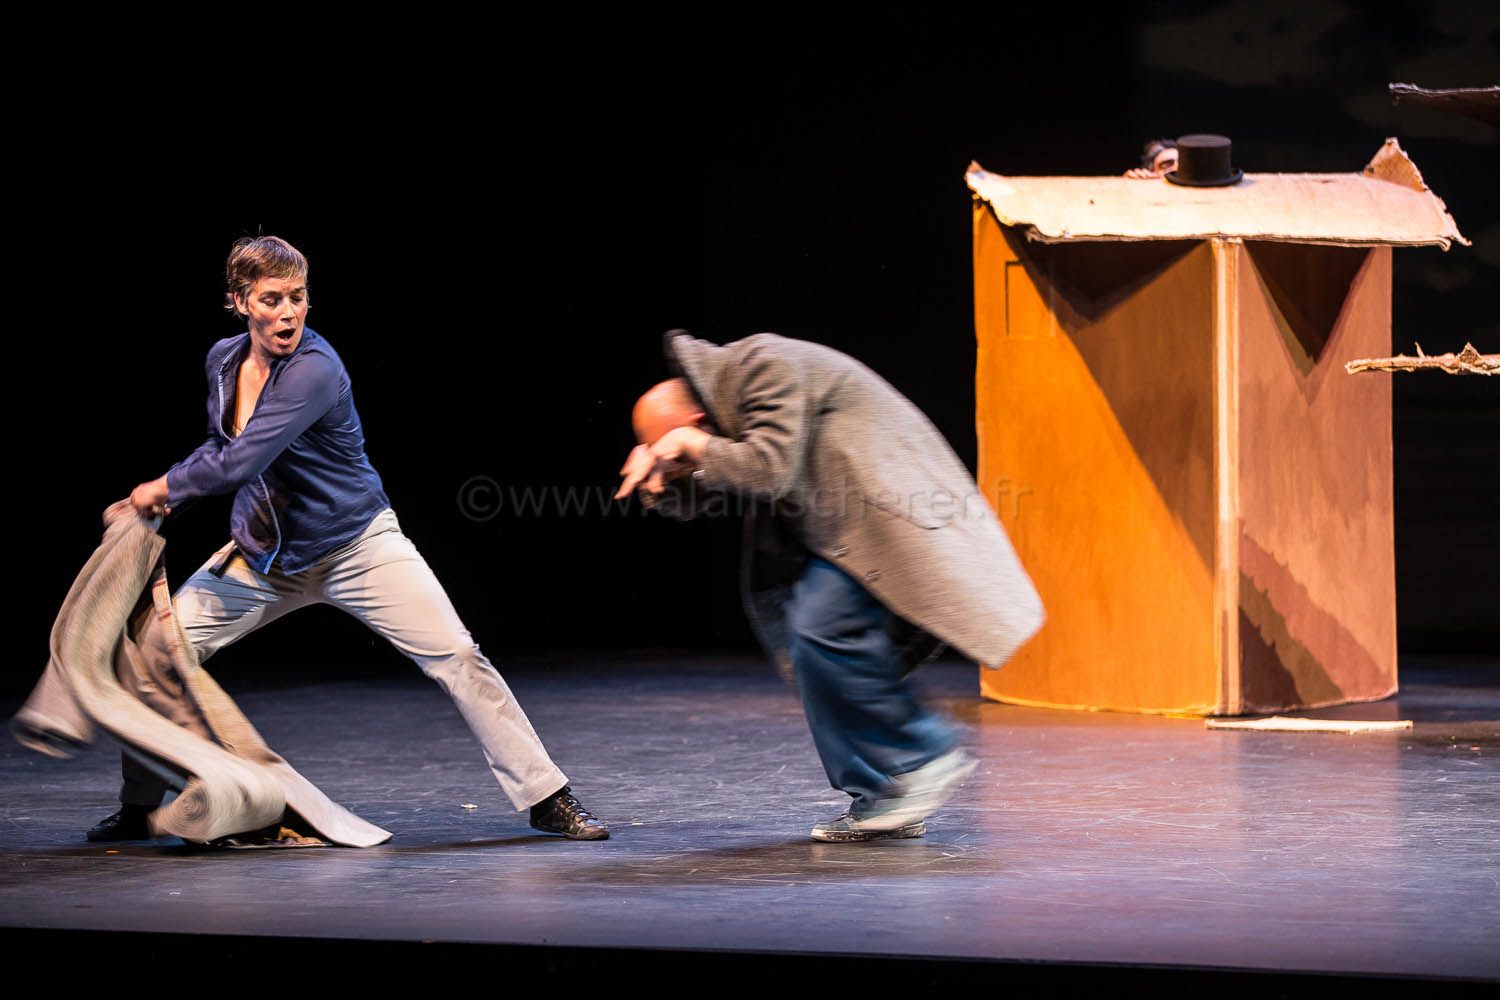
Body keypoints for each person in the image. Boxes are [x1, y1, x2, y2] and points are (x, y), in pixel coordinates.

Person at [88, 235, 607, 842]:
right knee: (155, 652)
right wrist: (170, 493)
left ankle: (547, 796)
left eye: (298, 297)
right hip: (263, 557)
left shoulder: (315, 369)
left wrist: (164, 485)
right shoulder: (223, 362)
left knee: (458, 655)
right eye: (272, 299)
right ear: (240, 301)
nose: (288, 313)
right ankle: (140, 804)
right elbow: (220, 446)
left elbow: (243, 461)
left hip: (357, 547)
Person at [617, 331, 1044, 842]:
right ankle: (883, 793)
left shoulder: (762, 364)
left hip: (884, 517)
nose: (683, 457)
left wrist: (695, 448)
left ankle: (923, 756)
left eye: (677, 446)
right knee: (810, 651)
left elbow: (768, 470)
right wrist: (660, 481)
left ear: (698, 421)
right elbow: (708, 490)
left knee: (822, 628)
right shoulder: (724, 415)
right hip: (839, 532)